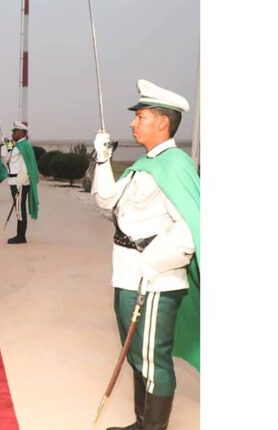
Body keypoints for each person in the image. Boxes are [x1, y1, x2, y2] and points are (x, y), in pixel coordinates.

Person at [92, 79, 200, 430]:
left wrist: (151, 262)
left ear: (162, 122)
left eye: (141, 117)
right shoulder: (145, 164)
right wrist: (103, 159)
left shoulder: (175, 165)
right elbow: (106, 201)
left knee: (154, 360)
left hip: (156, 281)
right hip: (127, 275)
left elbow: (190, 232)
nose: (133, 123)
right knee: (137, 355)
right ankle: (142, 423)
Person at [0, 121, 40, 244]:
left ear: (22, 132)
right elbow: (6, 157)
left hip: (20, 183)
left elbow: (27, 167)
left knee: (20, 208)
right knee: (19, 208)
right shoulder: (16, 145)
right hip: (13, 181)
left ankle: (21, 236)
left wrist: (20, 183)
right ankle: (20, 234)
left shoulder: (24, 146)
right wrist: (5, 143)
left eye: (15, 131)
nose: (13, 133)